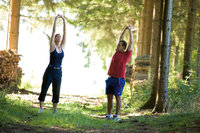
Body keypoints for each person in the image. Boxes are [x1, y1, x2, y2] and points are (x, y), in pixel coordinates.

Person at [38, 14, 66, 113]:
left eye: (60, 36)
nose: (58, 36)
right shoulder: (52, 47)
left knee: (56, 90)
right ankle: (41, 108)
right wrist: (55, 19)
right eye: (57, 36)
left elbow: (65, 32)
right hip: (50, 70)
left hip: (59, 72)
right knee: (44, 87)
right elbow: (53, 31)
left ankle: (55, 109)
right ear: (54, 39)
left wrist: (63, 21)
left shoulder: (62, 47)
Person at [105, 25, 134, 121]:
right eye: (118, 44)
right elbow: (120, 38)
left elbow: (131, 42)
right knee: (109, 98)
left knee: (118, 98)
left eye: (120, 45)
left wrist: (130, 30)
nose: (117, 45)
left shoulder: (126, 55)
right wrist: (124, 29)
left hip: (118, 79)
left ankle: (116, 116)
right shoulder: (116, 52)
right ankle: (108, 115)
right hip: (110, 78)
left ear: (124, 47)